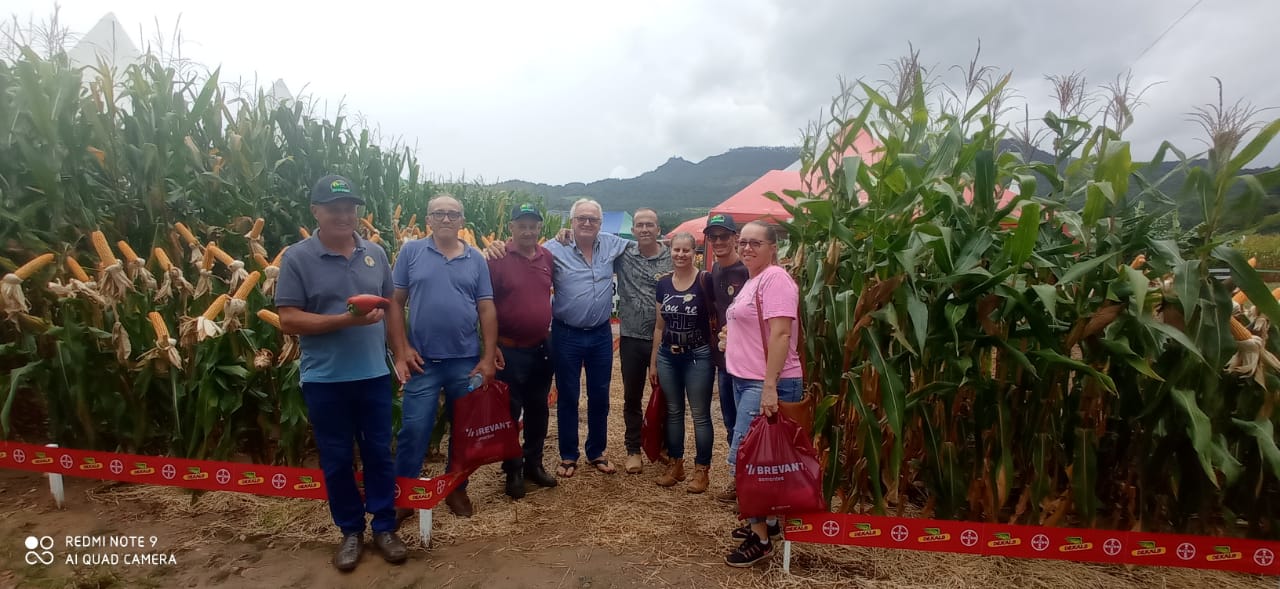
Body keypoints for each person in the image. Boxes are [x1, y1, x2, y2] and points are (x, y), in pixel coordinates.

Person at [276, 174, 408, 571]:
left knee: (379, 454)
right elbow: (287, 319)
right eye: (334, 208)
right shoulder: (298, 257)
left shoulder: (376, 254)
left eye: (350, 208)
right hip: (325, 378)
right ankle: (350, 531)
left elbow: (390, 310)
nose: (344, 215)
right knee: (336, 458)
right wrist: (344, 322)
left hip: (372, 375)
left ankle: (384, 526)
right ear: (315, 211)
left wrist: (399, 354)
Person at [388, 194, 498, 520]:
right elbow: (394, 302)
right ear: (428, 220)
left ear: (462, 221)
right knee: (413, 430)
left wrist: (488, 357)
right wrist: (401, 349)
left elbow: (486, 308)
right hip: (422, 361)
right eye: (439, 214)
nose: (446, 219)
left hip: (464, 360)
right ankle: (404, 496)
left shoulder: (476, 259)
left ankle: (456, 488)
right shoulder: (410, 252)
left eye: (453, 214)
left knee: (464, 431)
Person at [720, 221, 803, 568]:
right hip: (747, 380)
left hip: (764, 383)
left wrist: (769, 386)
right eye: (744, 242)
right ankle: (766, 522)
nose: (747, 248)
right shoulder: (755, 280)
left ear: (773, 248)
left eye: (756, 243)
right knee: (760, 459)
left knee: (747, 462)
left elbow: (782, 335)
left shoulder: (776, 279)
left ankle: (761, 540)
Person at [544, 198, 629, 477]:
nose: (587, 223)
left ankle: (596, 451)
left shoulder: (613, 244)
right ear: (571, 221)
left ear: (601, 223)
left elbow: (647, 248)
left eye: (593, 219)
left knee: (600, 395)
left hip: (601, 334)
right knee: (568, 395)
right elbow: (526, 257)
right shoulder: (553, 249)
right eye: (582, 218)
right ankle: (568, 454)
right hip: (566, 333)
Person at [487, 203, 560, 498]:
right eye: (522, 225)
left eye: (533, 225)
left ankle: (534, 463)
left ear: (540, 228)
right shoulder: (497, 258)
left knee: (538, 408)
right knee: (509, 412)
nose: (528, 231)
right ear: (511, 228)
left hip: (542, 347)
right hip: (509, 349)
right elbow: (484, 305)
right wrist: (489, 346)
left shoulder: (547, 257)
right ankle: (512, 468)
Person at [647, 232, 715, 492]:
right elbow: (659, 326)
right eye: (676, 250)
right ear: (670, 251)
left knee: (700, 415)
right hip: (667, 355)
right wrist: (654, 361)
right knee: (673, 412)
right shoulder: (663, 284)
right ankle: (676, 465)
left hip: (698, 354)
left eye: (686, 250)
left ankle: (702, 470)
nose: (680, 255)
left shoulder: (703, 281)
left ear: (695, 252)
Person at [614, 208, 671, 474]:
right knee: (632, 397)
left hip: (667, 338)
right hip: (632, 338)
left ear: (658, 229)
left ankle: (665, 447)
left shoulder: (674, 256)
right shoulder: (623, 254)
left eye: (650, 224)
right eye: (640, 225)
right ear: (634, 230)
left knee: (668, 396)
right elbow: (591, 241)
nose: (645, 229)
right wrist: (565, 234)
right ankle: (633, 449)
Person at [703, 214, 749, 503]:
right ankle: (738, 481)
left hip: (748, 363)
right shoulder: (712, 273)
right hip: (723, 361)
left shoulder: (748, 272)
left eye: (724, 236)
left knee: (748, 426)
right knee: (731, 422)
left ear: (735, 237)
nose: (718, 241)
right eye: (713, 237)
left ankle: (748, 483)